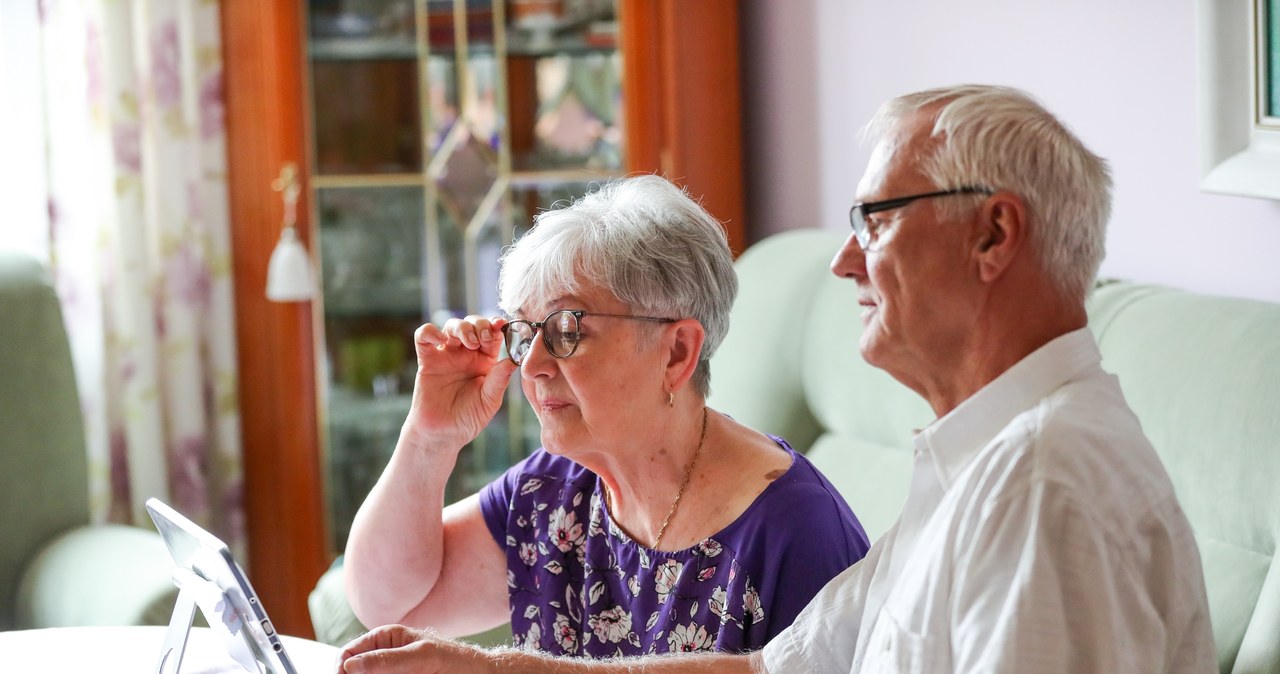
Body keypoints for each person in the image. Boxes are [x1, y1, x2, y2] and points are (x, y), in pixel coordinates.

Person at [334, 85, 1217, 673]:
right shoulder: (980, 465)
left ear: (993, 236)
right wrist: (500, 670)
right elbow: (769, 669)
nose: (842, 262)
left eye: (875, 221)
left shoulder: (1041, 484)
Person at [342, 174, 870, 659]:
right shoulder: (555, 492)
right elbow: (389, 602)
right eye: (524, 333)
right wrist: (431, 438)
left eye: (567, 330)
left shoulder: (797, 532)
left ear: (676, 353)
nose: (532, 364)